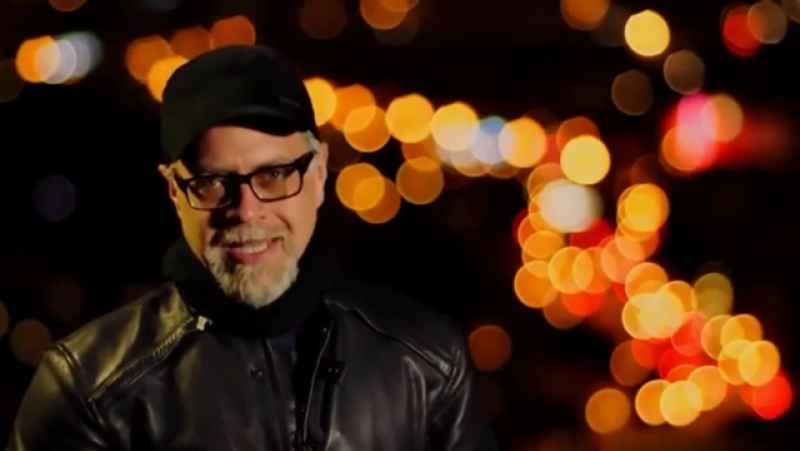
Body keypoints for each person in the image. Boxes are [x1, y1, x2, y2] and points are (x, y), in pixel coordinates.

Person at [6, 45, 498, 450]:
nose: (246, 210)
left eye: (275, 174)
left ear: (319, 173)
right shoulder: (89, 391)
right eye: (211, 183)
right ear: (174, 192)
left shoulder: (429, 364)